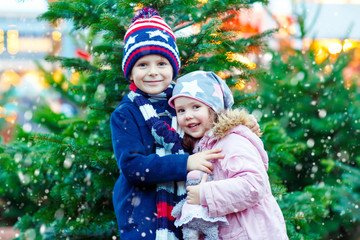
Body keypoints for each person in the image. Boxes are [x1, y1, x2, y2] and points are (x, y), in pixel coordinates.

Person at [111, 7, 232, 240]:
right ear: (130, 71)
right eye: (143, 65)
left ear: (173, 67)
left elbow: (211, 124)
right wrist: (186, 163)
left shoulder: (181, 102)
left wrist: (241, 129)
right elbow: (133, 167)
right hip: (143, 216)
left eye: (161, 63)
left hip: (185, 209)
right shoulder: (125, 113)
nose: (153, 72)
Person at [168, 70, 289, 240]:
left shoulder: (231, 141)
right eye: (181, 110)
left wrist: (204, 194)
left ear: (214, 109)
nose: (188, 116)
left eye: (196, 107)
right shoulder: (200, 147)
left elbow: (253, 185)